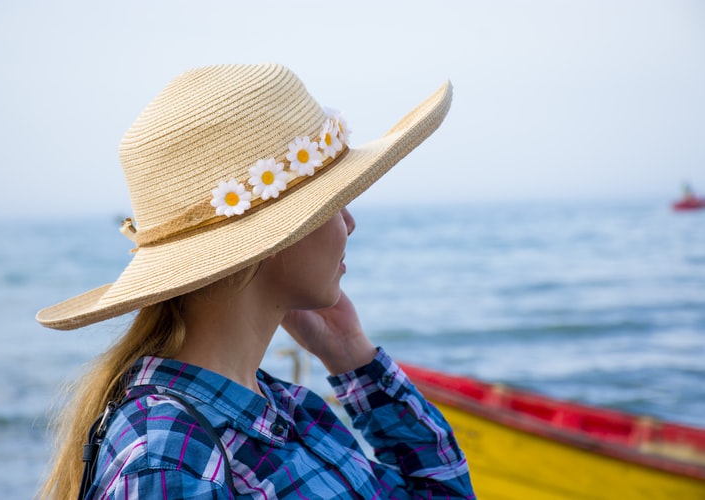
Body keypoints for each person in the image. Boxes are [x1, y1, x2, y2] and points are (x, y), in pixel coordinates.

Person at [37, 63, 476, 499]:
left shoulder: (286, 410)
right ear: (272, 238)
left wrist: (350, 354)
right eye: (333, 203)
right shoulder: (168, 460)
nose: (350, 222)